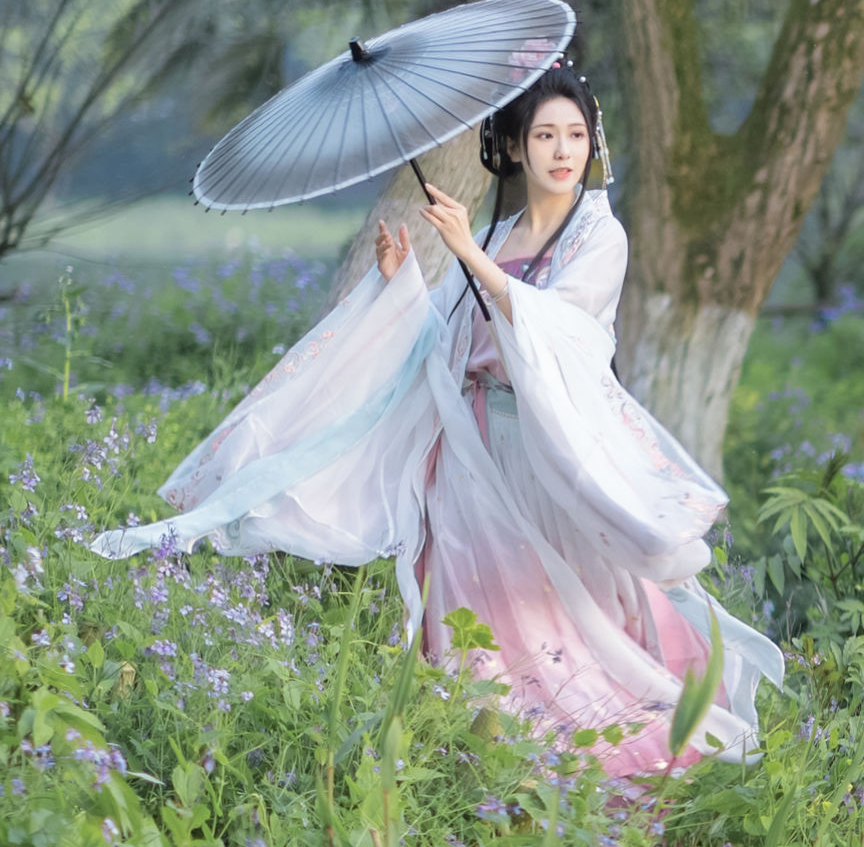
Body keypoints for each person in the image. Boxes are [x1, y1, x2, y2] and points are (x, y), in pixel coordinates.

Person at [93, 66, 776, 769]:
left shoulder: (598, 236)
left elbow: (568, 335)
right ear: (512, 148)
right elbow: (449, 341)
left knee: (563, 610)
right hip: (470, 450)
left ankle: (579, 731)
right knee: (474, 610)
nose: (563, 151)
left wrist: (471, 256)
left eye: (575, 134)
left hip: (544, 452)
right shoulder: (498, 229)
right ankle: (484, 739)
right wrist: (404, 285)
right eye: (544, 135)